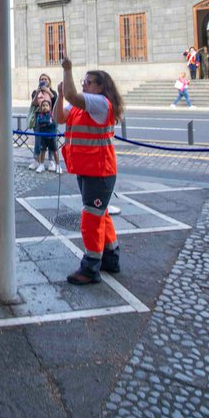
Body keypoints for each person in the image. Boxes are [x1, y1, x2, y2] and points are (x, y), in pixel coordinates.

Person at [54, 55, 124, 285]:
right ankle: (110, 257)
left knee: (91, 219)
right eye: (83, 81)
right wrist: (60, 94)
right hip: (89, 169)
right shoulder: (83, 104)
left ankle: (91, 267)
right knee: (100, 214)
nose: (84, 84)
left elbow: (74, 96)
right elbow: (59, 117)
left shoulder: (100, 103)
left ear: (101, 87)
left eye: (89, 82)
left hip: (99, 171)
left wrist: (68, 69)